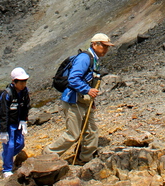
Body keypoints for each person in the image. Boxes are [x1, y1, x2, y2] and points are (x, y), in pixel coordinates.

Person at [44, 33, 114, 163]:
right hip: (73, 100)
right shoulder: (84, 58)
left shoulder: (94, 59)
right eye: (104, 46)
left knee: (91, 130)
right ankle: (48, 154)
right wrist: (88, 90)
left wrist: (91, 100)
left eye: (107, 47)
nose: (106, 49)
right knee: (73, 134)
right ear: (94, 44)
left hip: (85, 101)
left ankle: (86, 159)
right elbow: (73, 78)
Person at [0, 67, 30, 178]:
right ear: (14, 81)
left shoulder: (25, 92)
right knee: (10, 145)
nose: (23, 84)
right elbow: (3, 113)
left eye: (24, 81)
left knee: (20, 143)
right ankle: (7, 169)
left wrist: (24, 120)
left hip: (17, 122)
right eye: (21, 82)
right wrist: (3, 131)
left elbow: (26, 106)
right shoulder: (7, 94)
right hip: (7, 124)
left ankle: (5, 156)